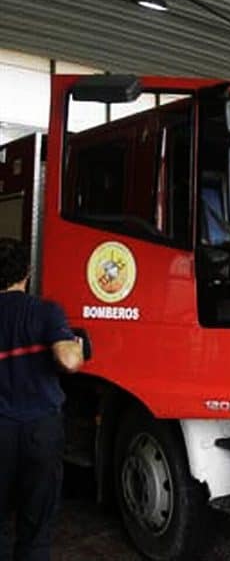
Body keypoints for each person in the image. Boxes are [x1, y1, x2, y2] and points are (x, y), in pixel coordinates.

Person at [0, 238, 84, 561]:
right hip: (40, 433)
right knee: (36, 528)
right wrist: (75, 346)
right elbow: (69, 360)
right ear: (28, 272)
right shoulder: (46, 312)